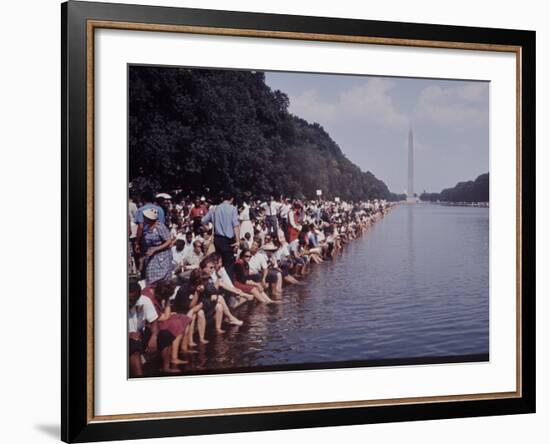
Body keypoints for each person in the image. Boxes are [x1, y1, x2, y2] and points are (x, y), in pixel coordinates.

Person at [201, 191, 240, 280]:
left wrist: (207, 228)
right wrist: (237, 241)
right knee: (229, 264)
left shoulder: (214, 209)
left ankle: (217, 282)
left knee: (217, 263)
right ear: (232, 199)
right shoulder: (233, 209)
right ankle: (228, 287)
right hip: (228, 241)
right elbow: (235, 225)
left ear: (222, 198)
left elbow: (203, 221)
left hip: (217, 239)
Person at [141, 208, 173, 286]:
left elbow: (168, 241)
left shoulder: (160, 227)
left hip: (162, 256)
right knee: (150, 276)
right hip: (151, 256)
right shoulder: (147, 227)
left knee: (161, 279)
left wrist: (156, 249)